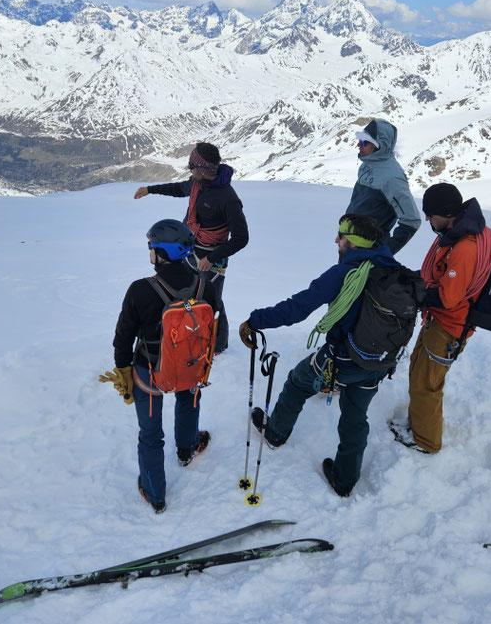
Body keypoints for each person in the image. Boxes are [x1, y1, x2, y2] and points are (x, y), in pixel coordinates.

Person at [237, 213, 401, 497]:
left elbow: (297, 308)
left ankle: (275, 434)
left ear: (354, 243)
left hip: (344, 358)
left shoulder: (343, 274)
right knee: (355, 416)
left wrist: (255, 320)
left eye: (342, 236)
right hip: (378, 361)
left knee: (298, 382)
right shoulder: (394, 270)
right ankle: (344, 480)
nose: (336, 240)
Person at [99, 219, 220, 513]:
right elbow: (211, 323)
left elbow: (123, 338)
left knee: (151, 434)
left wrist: (124, 371)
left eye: (151, 247)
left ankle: (155, 493)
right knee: (189, 400)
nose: (149, 251)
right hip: (190, 365)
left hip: (150, 371)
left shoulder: (140, 290)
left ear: (160, 252)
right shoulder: (206, 285)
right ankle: (187, 448)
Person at [391, 183, 491, 454]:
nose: (427, 219)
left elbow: (448, 297)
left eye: (430, 214)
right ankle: (418, 424)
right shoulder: (455, 233)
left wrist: (414, 292)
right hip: (439, 321)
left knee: (427, 384)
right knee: (418, 371)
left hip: (449, 327)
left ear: (447, 213)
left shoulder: (464, 248)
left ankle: (426, 442)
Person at [134, 142, 248, 353]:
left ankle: (218, 347)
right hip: (189, 250)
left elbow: (241, 238)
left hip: (211, 258)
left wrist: (212, 258)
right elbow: (178, 189)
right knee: (186, 294)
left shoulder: (228, 199)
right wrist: (149, 190)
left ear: (203, 170)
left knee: (212, 302)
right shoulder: (197, 184)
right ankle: (188, 335)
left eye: (191, 165)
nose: (189, 169)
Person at [347, 119, 421, 256]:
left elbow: (412, 220)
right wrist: (343, 235)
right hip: (350, 247)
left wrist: (384, 252)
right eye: (359, 140)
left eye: (364, 142)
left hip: (369, 254)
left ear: (379, 145)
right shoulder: (367, 165)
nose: (358, 145)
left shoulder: (392, 178)